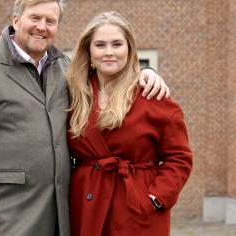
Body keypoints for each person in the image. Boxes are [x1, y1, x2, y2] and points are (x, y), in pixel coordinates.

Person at [0, 1, 169, 236]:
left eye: (50, 21)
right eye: (35, 18)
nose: (42, 27)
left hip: (61, 214)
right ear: (16, 20)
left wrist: (145, 73)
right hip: (9, 214)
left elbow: (110, 73)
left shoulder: (66, 68)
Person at [66, 11, 193, 236]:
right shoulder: (74, 94)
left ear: (129, 49)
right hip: (86, 206)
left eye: (117, 44)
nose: (109, 52)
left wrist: (154, 198)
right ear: (89, 51)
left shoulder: (153, 96)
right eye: (100, 45)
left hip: (137, 210)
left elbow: (180, 158)